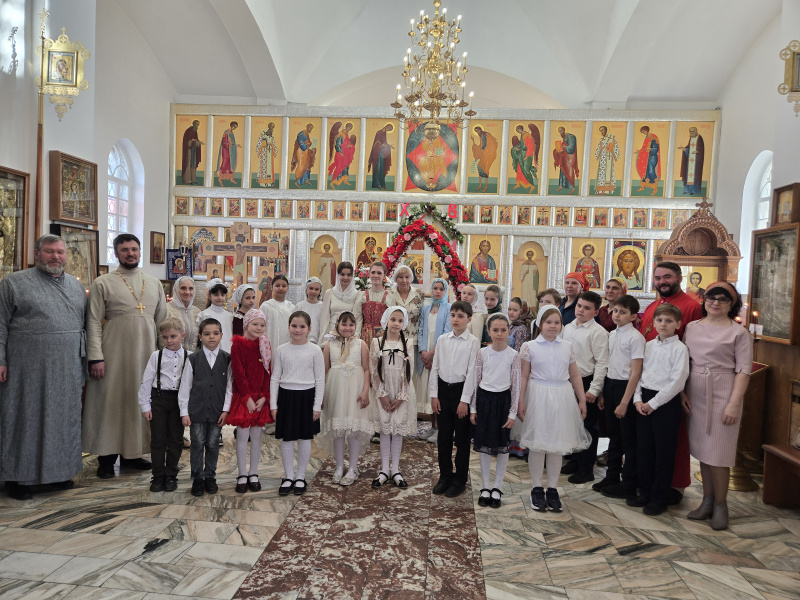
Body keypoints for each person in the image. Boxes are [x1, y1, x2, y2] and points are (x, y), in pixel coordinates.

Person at [0, 235, 87, 500]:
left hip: (67, 367)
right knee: (24, 418)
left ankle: (58, 473)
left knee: (63, 419)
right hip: (26, 367)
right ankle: (18, 478)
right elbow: (0, 323)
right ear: (37, 253)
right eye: (50, 252)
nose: (56, 257)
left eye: (60, 252)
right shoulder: (14, 283)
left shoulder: (74, 285)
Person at [84, 234, 168, 479]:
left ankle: (133, 455)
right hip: (113, 354)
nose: (130, 253)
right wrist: (95, 357)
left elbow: (163, 323)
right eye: (124, 250)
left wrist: (165, 357)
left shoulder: (153, 283)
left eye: (134, 249)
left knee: (139, 401)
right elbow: (93, 322)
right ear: (116, 253)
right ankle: (106, 458)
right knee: (111, 403)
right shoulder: (103, 283)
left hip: (147, 355)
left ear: (140, 251)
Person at [683, 282, 752, 530]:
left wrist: (734, 404)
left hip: (724, 392)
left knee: (719, 454)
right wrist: (682, 393)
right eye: (711, 298)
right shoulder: (692, 327)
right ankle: (707, 501)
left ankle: (722, 505)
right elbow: (683, 362)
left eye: (723, 299)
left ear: (732, 304)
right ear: (704, 300)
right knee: (703, 452)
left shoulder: (739, 333)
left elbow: (744, 371)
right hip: (695, 393)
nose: (715, 303)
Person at [639, 261, 703, 503]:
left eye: (667, 277)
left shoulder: (692, 306)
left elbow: (692, 352)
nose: (661, 282)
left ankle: (673, 486)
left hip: (674, 390)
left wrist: (684, 391)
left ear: (678, 277)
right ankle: (648, 486)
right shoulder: (653, 307)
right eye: (657, 278)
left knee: (672, 442)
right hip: (648, 387)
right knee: (648, 444)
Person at [517, 305, 591, 512]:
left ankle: (552, 488)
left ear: (561, 325)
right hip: (538, 395)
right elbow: (523, 375)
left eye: (556, 322)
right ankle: (536, 488)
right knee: (538, 444)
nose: (552, 326)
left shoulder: (567, 346)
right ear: (540, 324)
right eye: (548, 322)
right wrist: (520, 400)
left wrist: (582, 399)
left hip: (561, 396)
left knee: (557, 444)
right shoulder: (530, 346)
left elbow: (575, 375)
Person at [629, 304, 689, 516]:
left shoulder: (680, 349)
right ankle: (644, 492)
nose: (663, 324)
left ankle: (659, 497)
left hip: (665, 404)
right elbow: (638, 374)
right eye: (660, 320)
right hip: (643, 399)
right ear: (653, 323)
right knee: (644, 449)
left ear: (679, 324)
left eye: (669, 321)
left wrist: (653, 403)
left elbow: (677, 382)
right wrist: (637, 399)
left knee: (664, 452)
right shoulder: (648, 345)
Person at [595, 295, 645, 498]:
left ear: (633, 316)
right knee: (613, 436)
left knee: (627, 439)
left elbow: (636, 372)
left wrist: (625, 402)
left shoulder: (636, 338)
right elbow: (608, 364)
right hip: (611, 385)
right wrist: (602, 394)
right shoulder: (612, 335)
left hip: (627, 388)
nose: (617, 315)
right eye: (615, 310)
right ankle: (612, 476)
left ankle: (629, 483)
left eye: (623, 312)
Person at [271, 311, 325, 496]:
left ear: (309, 329)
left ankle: (300, 476)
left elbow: (320, 379)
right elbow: (275, 378)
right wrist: (273, 405)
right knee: (287, 438)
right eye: (294, 325)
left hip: (307, 397)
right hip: (286, 397)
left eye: (302, 326)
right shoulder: (281, 350)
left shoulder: (315, 350)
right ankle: (288, 476)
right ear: (288, 327)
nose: (298, 329)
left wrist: (316, 406)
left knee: (304, 438)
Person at [430, 300, 479, 498]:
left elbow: (472, 373)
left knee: (462, 439)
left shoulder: (473, 342)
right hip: (443, 391)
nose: (456, 319)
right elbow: (435, 368)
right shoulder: (443, 339)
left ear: (469, 319)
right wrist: (434, 395)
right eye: (453, 315)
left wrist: (464, 400)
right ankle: (445, 477)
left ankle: (459, 480)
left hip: (460, 393)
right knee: (443, 438)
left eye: (460, 316)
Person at [178, 318, 232, 497]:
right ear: (200, 337)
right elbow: (185, 386)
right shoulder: (193, 359)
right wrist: (184, 412)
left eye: (215, 333)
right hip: (197, 410)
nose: (211, 337)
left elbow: (230, 387)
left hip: (217, 410)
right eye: (207, 334)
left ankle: (210, 476)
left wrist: (226, 410)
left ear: (221, 335)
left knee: (213, 443)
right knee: (197, 443)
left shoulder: (227, 358)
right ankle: (197, 478)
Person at [471, 313, 520, 509]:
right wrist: (473, 408)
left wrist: (512, 413)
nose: (499, 334)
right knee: (483, 444)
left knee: (502, 445)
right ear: (489, 331)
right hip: (484, 400)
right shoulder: (482, 353)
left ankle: (497, 487)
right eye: (495, 330)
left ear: (508, 331)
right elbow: (475, 381)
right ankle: (485, 486)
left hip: (503, 402)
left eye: (503, 330)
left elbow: (516, 385)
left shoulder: (513, 355)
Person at [561, 291, 609, 484]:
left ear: (596, 312)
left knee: (588, 426)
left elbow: (601, 363)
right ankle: (575, 460)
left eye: (587, 308)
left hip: (587, 382)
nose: (581, 310)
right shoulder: (568, 327)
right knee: (573, 425)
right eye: (579, 306)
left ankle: (586, 468)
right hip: (568, 381)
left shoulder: (598, 332)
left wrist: (594, 390)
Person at [320, 312, 372, 486]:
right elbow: (324, 371)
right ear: (337, 325)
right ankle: (339, 466)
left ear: (355, 326)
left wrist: (365, 391)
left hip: (355, 390)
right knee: (338, 430)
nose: (347, 328)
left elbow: (366, 369)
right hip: (335, 391)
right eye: (344, 324)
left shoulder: (361, 344)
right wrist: (321, 395)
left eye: (351, 324)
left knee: (353, 429)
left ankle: (353, 468)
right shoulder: (329, 345)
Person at [138, 317, 188, 493]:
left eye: (173, 336)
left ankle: (171, 475)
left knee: (175, 440)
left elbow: (190, 384)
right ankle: (158, 476)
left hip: (178, 402)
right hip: (158, 400)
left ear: (182, 335)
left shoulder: (188, 357)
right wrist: (145, 406)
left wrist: (187, 410)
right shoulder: (156, 356)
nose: (169, 340)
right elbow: (146, 381)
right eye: (165, 337)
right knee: (158, 440)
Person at [370, 306, 417, 489]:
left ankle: (395, 470)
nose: (396, 323)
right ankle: (383, 470)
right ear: (386, 320)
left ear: (404, 323)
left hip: (400, 391)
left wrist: (400, 396)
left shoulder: (408, 343)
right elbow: (374, 370)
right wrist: (381, 394)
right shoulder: (377, 342)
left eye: (400, 320)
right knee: (384, 430)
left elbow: (409, 372)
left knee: (397, 430)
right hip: (383, 389)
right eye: (393, 319)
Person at [227, 309, 272, 493]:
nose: (259, 328)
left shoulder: (265, 345)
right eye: (255, 324)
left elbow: (268, 371)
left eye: (262, 325)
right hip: (244, 397)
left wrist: (263, 396)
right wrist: (247, 398)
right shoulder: (238, 345)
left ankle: (254, 472)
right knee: (243, 436)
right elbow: (238, 372)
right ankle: (242, 473)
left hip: (259, 398)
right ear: (246, 324)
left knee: (256, 436)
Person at [416, 278, 453, 443]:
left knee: (438, 391)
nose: (437, 291)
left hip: (439, 351)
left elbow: (446, 332)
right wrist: (423, 352)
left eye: (441, 289)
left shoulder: (449, 308)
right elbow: (421, 329)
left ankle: (441, 428)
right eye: (435, 288)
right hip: (425, 353)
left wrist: (432, 353)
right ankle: (432, 427)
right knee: (428, 392)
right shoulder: (425, 309)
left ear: (445, 291)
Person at [320, 263, 359, 344]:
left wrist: (355, 336)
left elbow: (357, 318)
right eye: (342, 274)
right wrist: (324, 337)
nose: (345, 277)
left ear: (352, 276)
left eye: (349, 275)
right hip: (331, 334)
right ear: (338, 275)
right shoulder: (329, 293)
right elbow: (325, 318)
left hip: (349, 335)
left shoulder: (357, 295)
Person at [354, 261, 389, 349]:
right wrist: (355, 337)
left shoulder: (390, 296)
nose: (376, 275)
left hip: (383, 337)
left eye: (379, 273)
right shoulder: (361, 295)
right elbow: (357, 319)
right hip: (365, 336)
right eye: (373, 272)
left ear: (384, 276)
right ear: (369, 274)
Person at [197, 279, 233, 353]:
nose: (219, 298)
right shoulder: (203, 315)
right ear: (209, 296)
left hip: (228, 353)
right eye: (216, 295)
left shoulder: (230, 316)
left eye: (222, 295)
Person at [260, 275, 295, 349]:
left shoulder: (291, 307)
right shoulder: (266, 306)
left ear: (288, 288)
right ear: (272, 287)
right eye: (277, 285)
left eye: (284, 286)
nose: (281, 288)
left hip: (287, 344)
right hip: (270, 344)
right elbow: (261, 327)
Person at [167, 276, 200, 351]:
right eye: (183, 288)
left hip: (193, 358)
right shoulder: (167, 309)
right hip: (173, 357)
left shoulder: (197, 311)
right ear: (176, 289)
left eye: (191, 289)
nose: (187, 292)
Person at [510, 124, 539, 192]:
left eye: (518, 130)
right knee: (519, 169)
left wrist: (527, 156)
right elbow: (522, 145)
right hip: (522, 155)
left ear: (521, 129)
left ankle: (532, 185)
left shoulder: (528, 135)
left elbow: (530, 146)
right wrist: (518, 148)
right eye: (517, 131)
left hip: (527, 156)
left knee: (526, 170)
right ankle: (519, 183)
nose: (518, 132)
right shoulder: (522, 135)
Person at [328, 122, 356, 189]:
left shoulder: (346, 134)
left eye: (351, 128)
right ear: (346, 126)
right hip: (340, 154)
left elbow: (346, 142)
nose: (349, 129)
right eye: (349, 127)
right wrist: (340, 152)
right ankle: (333, 181)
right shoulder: (341, 134)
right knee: (339, 167)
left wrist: (349, 145)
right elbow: (338, 144)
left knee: (345, 167)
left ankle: (344, 180)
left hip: (345, 154)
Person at [678, 126, 704, 195]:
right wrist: (684, 149)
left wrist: (697, 151)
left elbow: (701, 149)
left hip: (696, 160)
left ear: (695, 131)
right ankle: (687, 190)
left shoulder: (699, 138)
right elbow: (688, 147)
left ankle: (694, 190)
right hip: (689, 160)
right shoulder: (691, 138)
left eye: (692, 132)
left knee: (694, 175)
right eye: (690, 132)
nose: (691, 133)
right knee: (688, 175)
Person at [297, 277, 324, 344]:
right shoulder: (299, 306)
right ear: (306, 288)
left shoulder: (323, 306)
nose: (313, 291)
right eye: (311, 288)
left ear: (320, 291)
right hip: (301, 342)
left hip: (318, 342)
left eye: (316, 289)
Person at [471, 126, 498, 192]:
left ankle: (486, 186)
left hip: (486, 154)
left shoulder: (484, 135)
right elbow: (480, 146)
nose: (477, 132)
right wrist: (473, 141)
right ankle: (480, 185)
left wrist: (480, 152)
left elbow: (483, 146)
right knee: (479, 168)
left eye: (478, 130)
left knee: (485, 169)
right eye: (476, 131)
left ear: (480, 130)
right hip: (483, 155)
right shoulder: (481, 136)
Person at [553, 126, 580, 193]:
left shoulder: (571, 137)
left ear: (564, 130)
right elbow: (564, 146)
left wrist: (565, 147)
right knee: (562, 170)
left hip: (570, 157)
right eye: (559, 132)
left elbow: (571, 148)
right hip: (564, 156)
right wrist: (559, 149)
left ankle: (572, 187)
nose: (560, 133)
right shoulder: (564, 138)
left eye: (561, 131)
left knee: (570, 171)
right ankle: (561, 186)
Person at [594, 125, 620, 194]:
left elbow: (616, 146)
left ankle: (607, 190)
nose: (601, 132)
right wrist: (600, 150)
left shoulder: (612, 137)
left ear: (605, 130)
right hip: (602, 157)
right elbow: (599, 148)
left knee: (608, 173)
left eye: (602, 130)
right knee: (601, 173)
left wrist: (610, 148)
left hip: (609, 157)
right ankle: (600, 189)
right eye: (600, 131)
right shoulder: (601, 139)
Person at [635, 126, 660, 194]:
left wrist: (650, 149)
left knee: (651, 170)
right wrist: (639, 151)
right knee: (645, 170)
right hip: (646, 156)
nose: (643, 133)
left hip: (652, 156)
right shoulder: (646, 138)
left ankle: (655, 188)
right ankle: (643, 186)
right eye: (642, 132)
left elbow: (656, 148)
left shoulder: (653, 137)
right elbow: (644, 147)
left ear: (647, 130)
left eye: (644, 131)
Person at [368, 123, 394, 190]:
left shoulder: (384, 134)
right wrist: (382, 145)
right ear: (386, 126)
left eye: (390, 130)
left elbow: (384, 143)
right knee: (377, 168)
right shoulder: (379, 133)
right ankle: (376, 184)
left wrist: (389, 146)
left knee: (382, 168)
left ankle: (382, 184)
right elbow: (377, 143)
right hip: (377, 153)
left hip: (382, 153)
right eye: (389, 128)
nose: (389, 130)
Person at [292, 123, 317, 187]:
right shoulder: (300, 134)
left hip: (307, 152)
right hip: (301, 152)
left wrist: (312, 146)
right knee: (301, 165)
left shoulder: (307, 134)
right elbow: (301, 145)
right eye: (310, 128)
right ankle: (297, 181)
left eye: (312, 129)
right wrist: (307, 145)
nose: (310, 130)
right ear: (307, 127)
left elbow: (308, 143)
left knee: (307, 165)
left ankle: (306, 180)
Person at [181, 119, 204, 185]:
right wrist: (192, 141)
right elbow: (186, 141)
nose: (197, 126)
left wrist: (199, 142)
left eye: (198, 125)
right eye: (197, 124)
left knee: (193, 164)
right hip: (188, 151)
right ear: (194, 124)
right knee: (188, 164)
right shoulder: (188, 131)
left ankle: (193, 179)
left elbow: (196, 139)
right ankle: (187, 180)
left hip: (193, 150)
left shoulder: (195, 132)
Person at [256, 122, 278, 187]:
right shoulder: (263, 134)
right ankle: (263, 183)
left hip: (270, 153)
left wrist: (275, 150)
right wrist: (264, 144)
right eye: (271, 127)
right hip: (264, 153)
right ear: (269, 126)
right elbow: (259, 143)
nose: (272, 128)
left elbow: (273, 143)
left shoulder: (271, 135)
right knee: (264, 167)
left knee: (269, 168)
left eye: (273, 127)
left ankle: (270, 182)